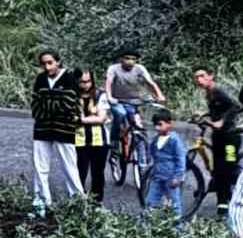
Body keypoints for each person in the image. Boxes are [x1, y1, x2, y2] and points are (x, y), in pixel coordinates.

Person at [30, 50, 85, 214]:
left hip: (64, 129)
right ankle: (42, 204)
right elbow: (35, 104)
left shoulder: (69, 79)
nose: (47, 67)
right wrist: (52, 107)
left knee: (70, 168)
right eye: (44, 64)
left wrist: (48, 106)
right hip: (42, 128)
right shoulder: (40, 79)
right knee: (40, 168)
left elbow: (68, 104)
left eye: (50, 63)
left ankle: (79, 204)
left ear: (58, 62)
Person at [193, 67, 243, 220]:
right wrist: (204, 115)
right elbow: (219, 109)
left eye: (202, 76)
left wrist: (221, 122)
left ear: (211, 76)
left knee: (230, 168)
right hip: (218, 137)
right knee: (218, 171)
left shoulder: (217, 90)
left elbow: (236, 106)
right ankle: (222, 207)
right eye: (196, 77)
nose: (199, 80)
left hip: (230, 137)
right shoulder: (209, 93)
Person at [103, 48, 164, 153]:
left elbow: (150, 82)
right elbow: (108, 83)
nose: (130, 61)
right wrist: (109, 97)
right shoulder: (114, 69)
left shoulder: (139, 68)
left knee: (138, 125)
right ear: (121, 59)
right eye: (127, 58)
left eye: (133, 59)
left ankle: (143, 155)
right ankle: (114, 140)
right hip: (117, 100)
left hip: (134, 101)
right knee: (120, 114)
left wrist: (159, 95)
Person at [74, 70, 111, 203]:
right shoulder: (71, 95)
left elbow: (101, 118)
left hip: (99, 140)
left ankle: (96, 204)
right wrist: (90, 118)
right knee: (79, 174)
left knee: (98, 175)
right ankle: (79, 203)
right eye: (82, 82)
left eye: (88, 81)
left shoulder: (100, 94)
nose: (85, 85)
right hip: (78, 140)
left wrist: (80, 120)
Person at [145, 110, 187, 218]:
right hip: (157, 176)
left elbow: (180, 159)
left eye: (160, 124)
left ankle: (177, 227)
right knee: (150, 200)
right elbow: (153, 154)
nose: (157, 128)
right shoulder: (155, 140)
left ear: (169, 123)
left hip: (170, 176)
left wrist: (178, 177)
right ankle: (146, 223)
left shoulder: (174, 140)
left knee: (174, 203)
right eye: (155, 125)